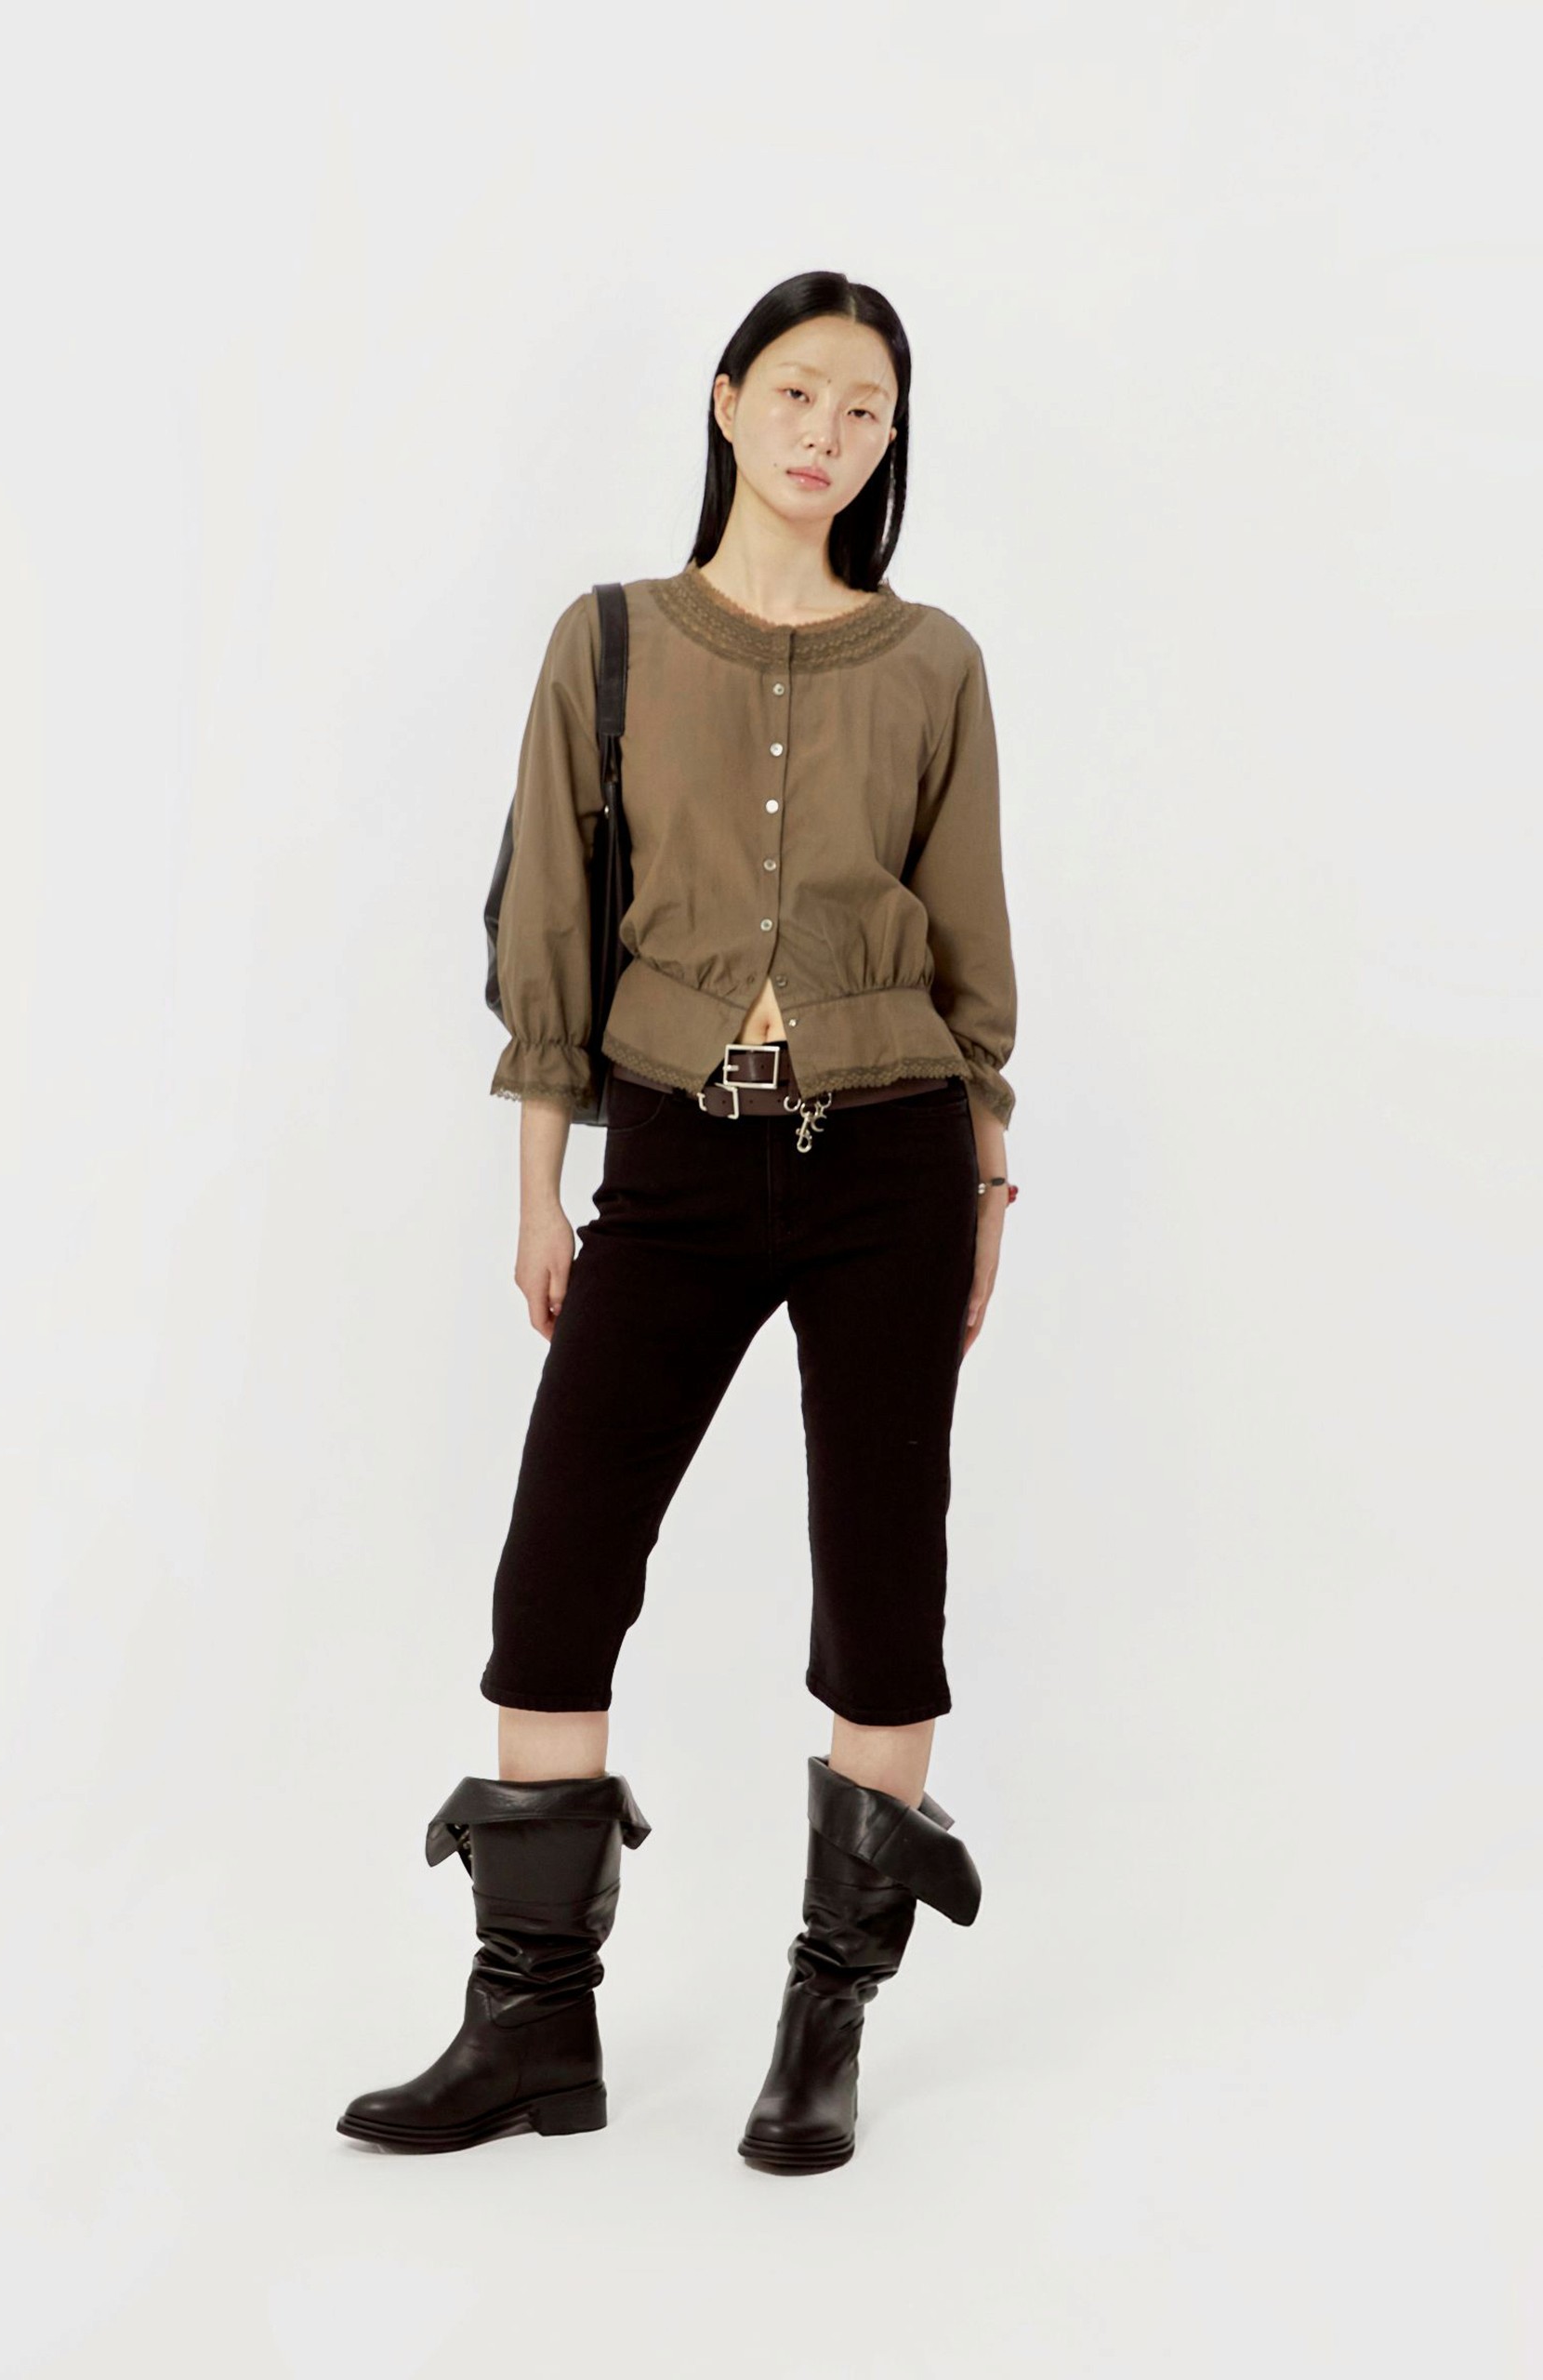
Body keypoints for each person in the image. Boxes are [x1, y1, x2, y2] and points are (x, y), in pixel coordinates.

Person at [337, 270, 1018, 2175]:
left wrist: (983, 1181)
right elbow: (547, 922)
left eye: (865, 409)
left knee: (880, 1582)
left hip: (892, 1156)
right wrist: (539, 1185)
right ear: (727, 401)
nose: (826, 433)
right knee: (557, 1571)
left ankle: (825, 2022)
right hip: (669, 1158)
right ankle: (528, 2024)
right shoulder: (612, 638)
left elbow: (971, 949)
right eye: (796, 391)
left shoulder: (934, 661)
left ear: (889, 440)